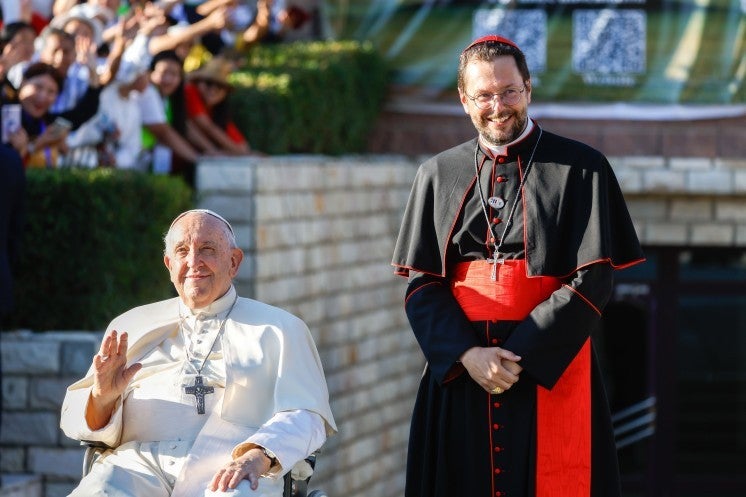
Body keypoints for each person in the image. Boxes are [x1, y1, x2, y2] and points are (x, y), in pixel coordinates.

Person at [391, 35, 645, 497]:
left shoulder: (582, 167)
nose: (498, 105)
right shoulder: (436, 173)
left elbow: (593, 278)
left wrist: (517, 357)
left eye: (509, 91)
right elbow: (422, 284)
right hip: (461, 373)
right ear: (465, 100)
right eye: (484, 95)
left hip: (550, 366)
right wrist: (470, 356)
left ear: (528, 88)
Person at [61, 208, 337, 496]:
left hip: (233, 466)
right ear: (169, 264)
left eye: (207, 249)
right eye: (182, 251)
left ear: (234, 261)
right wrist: (102, 398)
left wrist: (258, 455)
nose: (194, 262)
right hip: (137, 465)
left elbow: (307, 415)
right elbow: (81, 422)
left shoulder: (280, 328)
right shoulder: (130, 326)